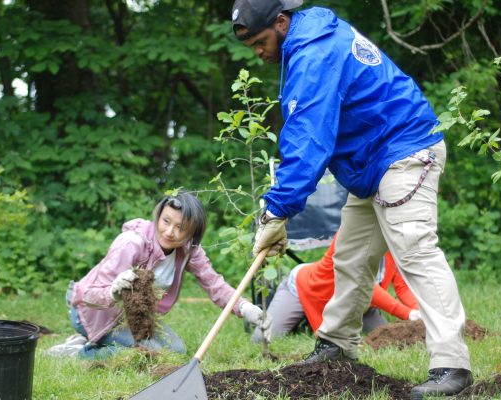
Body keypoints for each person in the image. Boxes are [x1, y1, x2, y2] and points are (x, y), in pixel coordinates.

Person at [230, 0, 473, 398]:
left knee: (415, 253)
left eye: (260, 41)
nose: (258, 51)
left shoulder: (314, 52)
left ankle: (452, 365)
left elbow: (309, 138)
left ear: (281, 21)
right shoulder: (308, 39)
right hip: (373, 164)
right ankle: (337, 345)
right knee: (352, 257)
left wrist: (277, 210)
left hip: (403, 152)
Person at [48, 192, 273, 359]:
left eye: (180, 227)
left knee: (175, 351)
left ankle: (91, 342)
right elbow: (87, 294)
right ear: (158, 216)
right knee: (150, 354)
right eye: (166, 221)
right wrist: (113, 291)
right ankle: (77, 352)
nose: (169, 232)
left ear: (192, 232)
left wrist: (246, 308)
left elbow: (214, 284)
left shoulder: (189, 250)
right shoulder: (131, 243)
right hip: (93, 312)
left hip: (132, 317)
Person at [251, 234, 420, 343]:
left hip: (359, 303)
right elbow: (363, 285)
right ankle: (305, 321)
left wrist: (419, 312)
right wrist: (408, 314)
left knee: (387, 338)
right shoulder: (353, 236)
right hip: (308, 289)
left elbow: (403, 286)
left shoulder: (393, 245)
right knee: (261, 340)